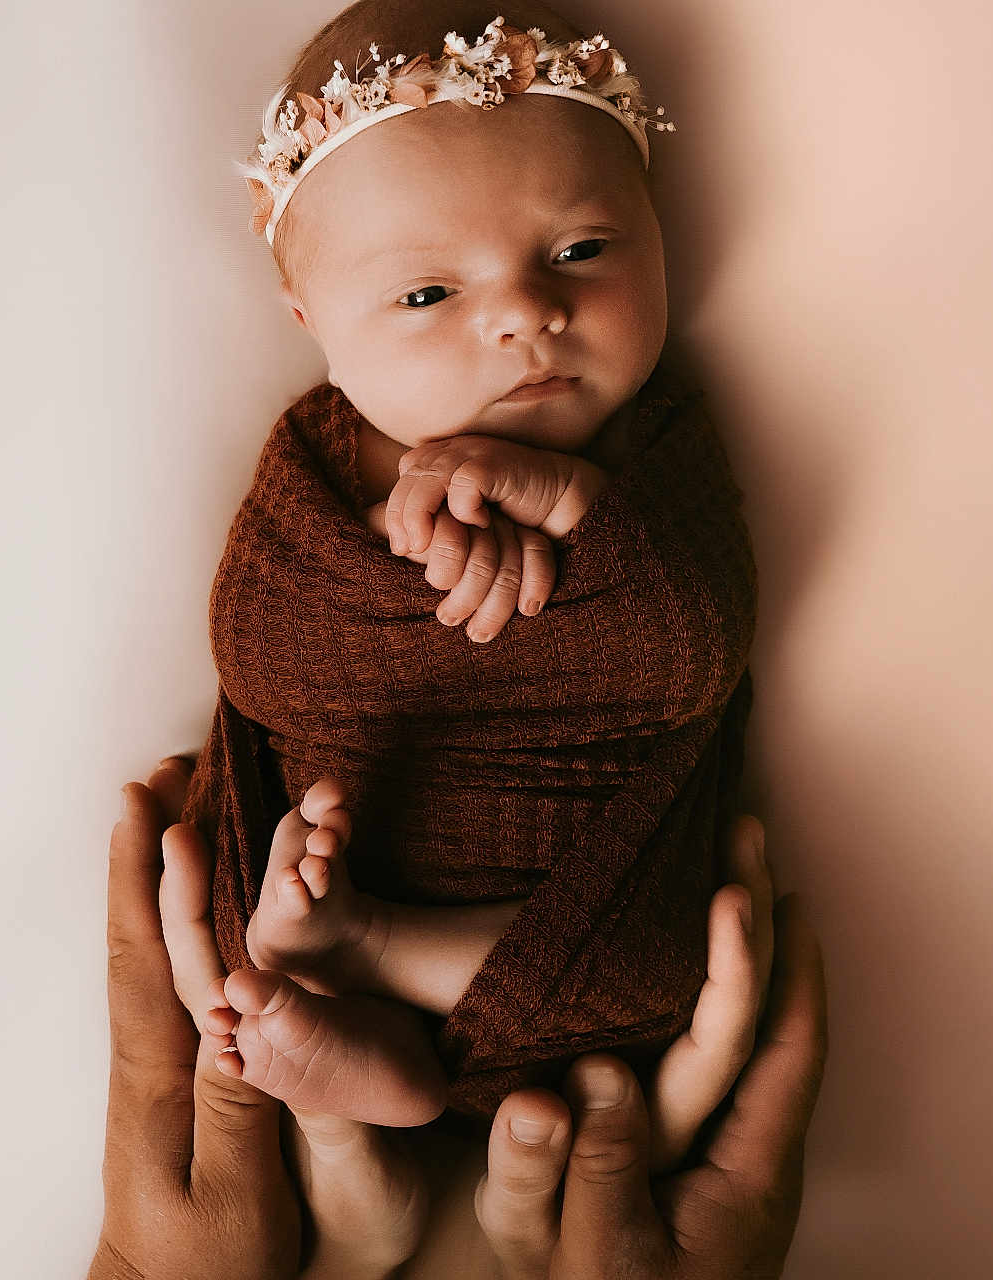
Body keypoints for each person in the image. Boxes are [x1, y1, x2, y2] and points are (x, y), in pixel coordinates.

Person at [178, 0, 762, 1141]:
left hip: (584, 911)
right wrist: (388, 572)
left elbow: (701, 649)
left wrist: (578, 512)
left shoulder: (655, 451)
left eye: (579, 251)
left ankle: (375, 962)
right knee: (229, 908)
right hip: (343, 839)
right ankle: (360, 1047)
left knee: (676, 955)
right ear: (312, 323)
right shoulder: (314, 467)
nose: (526, 315)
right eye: (427, 294)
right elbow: (253, 661)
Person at [88, 755, 828, 1278]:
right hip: (542, 1151)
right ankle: (353, 1129)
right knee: (645, 984)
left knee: (243, 959)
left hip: (356, 1207)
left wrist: (139, 1273)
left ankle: (354, 1136)